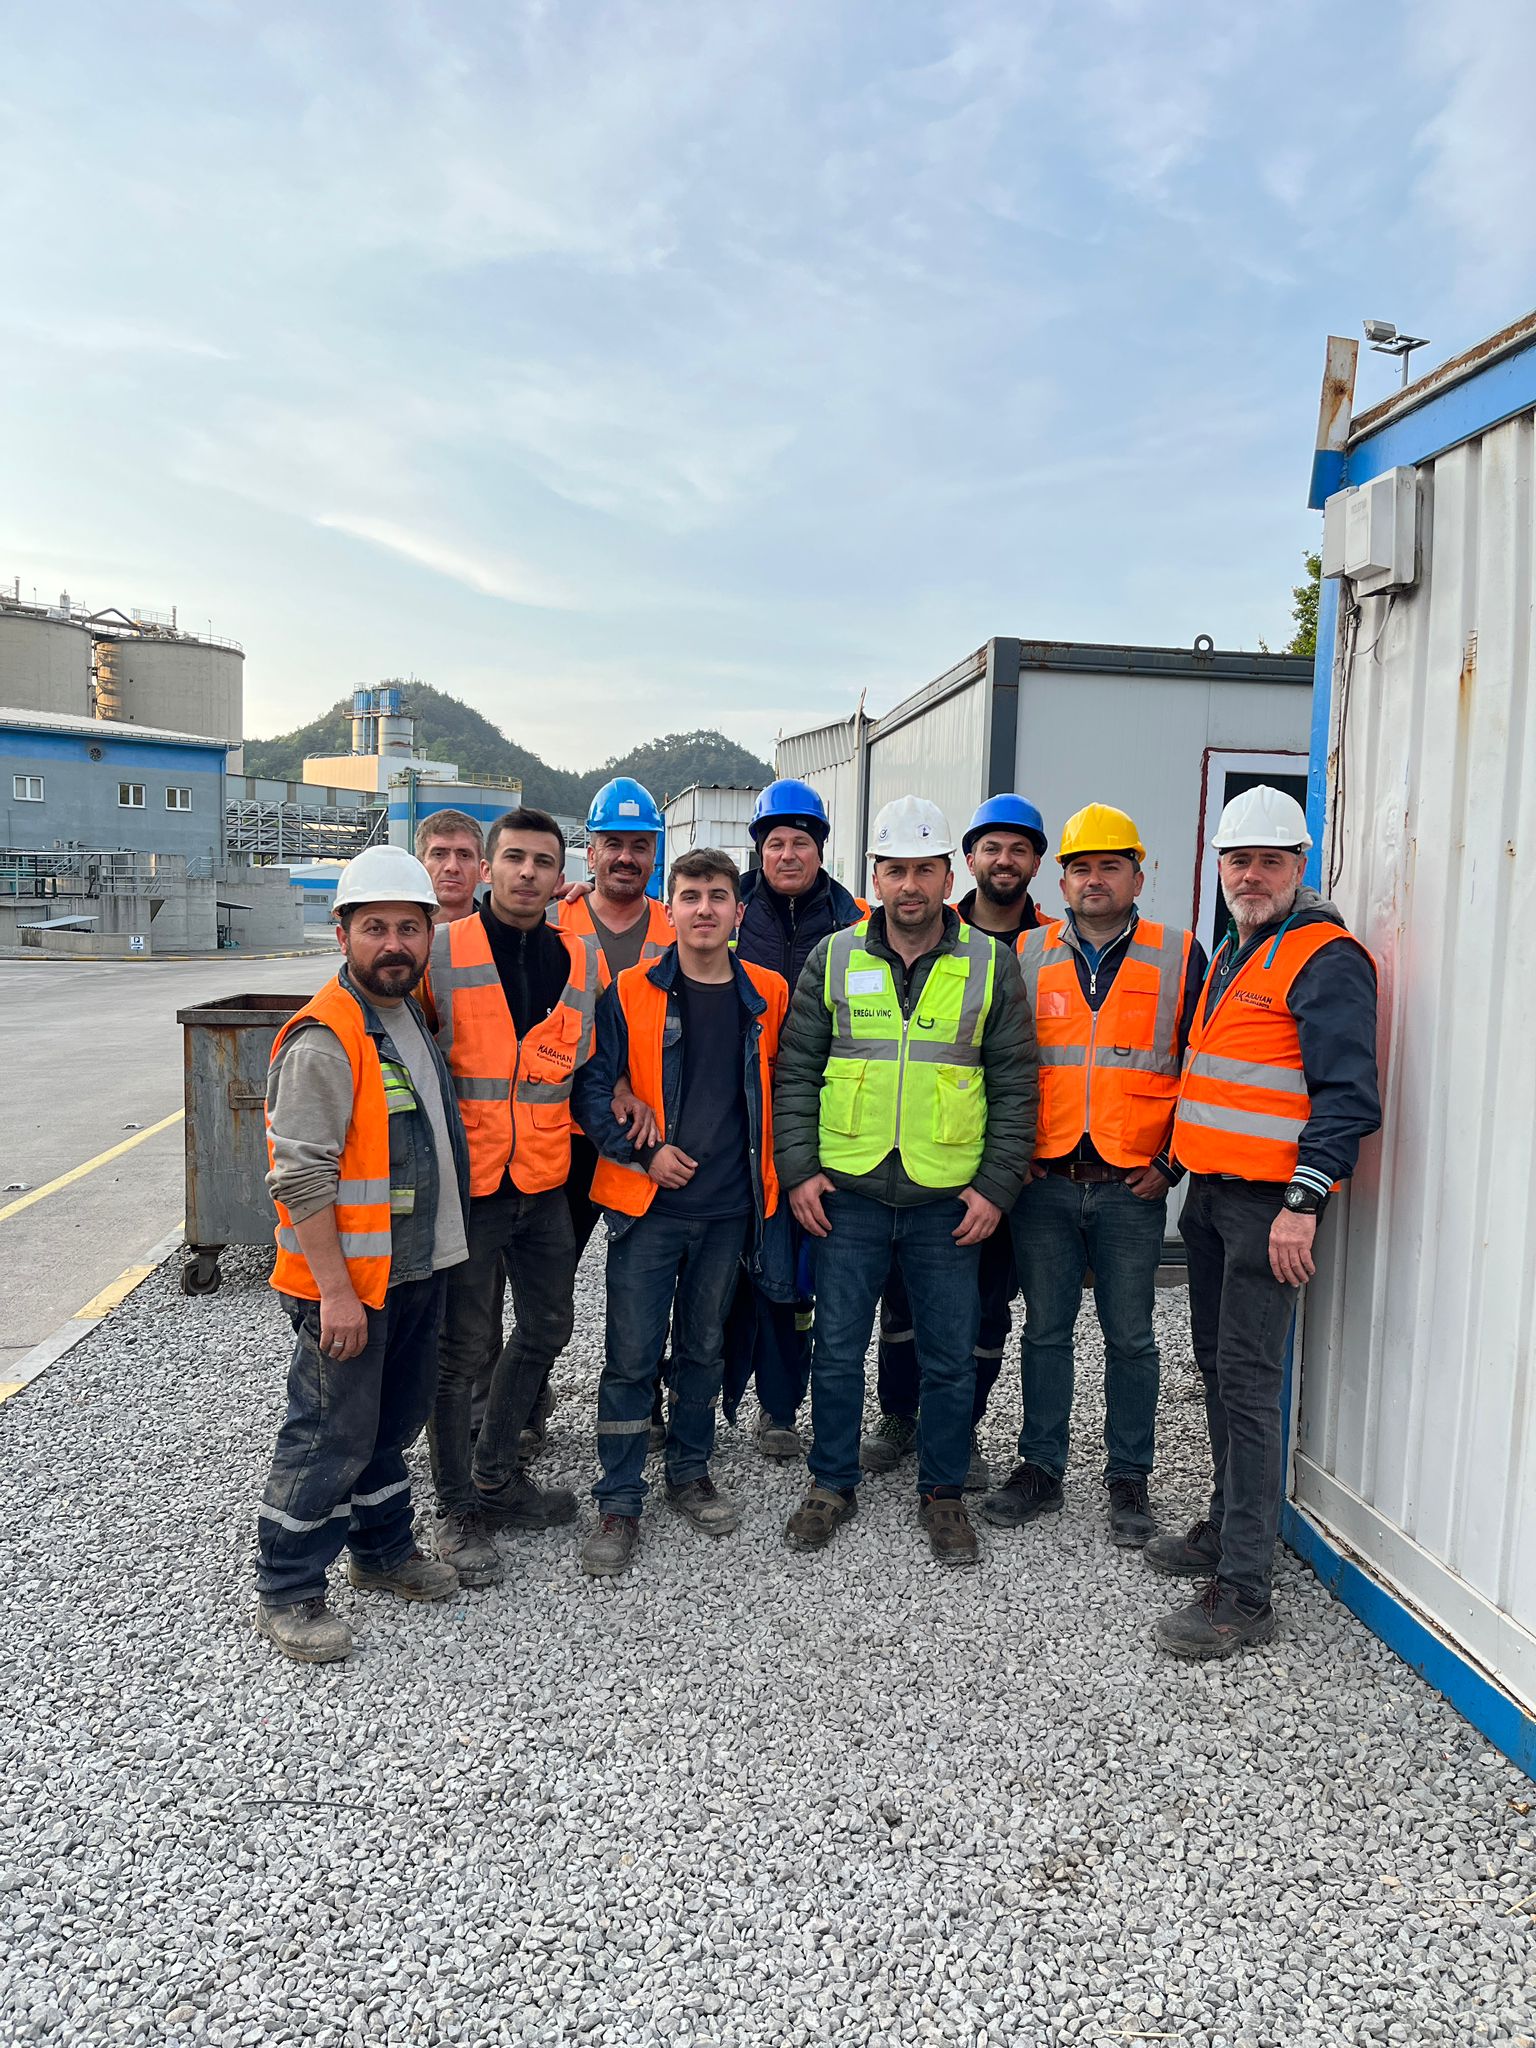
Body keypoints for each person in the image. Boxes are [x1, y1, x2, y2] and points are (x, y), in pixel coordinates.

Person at [774, 796, 1038, 1564]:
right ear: (876, 878)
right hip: (848, 1192)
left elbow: (1016, 1084)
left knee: (950, 1356)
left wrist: (995, 1187)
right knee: (836, 1349)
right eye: (896, 870)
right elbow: (797, 1072)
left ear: (948, 876)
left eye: (924, 869)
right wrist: (800, 1171)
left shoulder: (990, 963)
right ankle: (831, 1483)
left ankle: (943, 1494)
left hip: (947, 1200)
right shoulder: (834, 957)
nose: (910, 885)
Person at [1150, 784, 1379, 1658]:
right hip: (1211, 1198)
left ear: (1299, 865)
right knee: (1217, 1368)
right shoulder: (1240, 949)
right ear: (1220, 867)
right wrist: (1175, 1164)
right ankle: (1224, 1526)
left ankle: (1244, 1593)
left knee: (1247, 1385)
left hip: (1268, 1207)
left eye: (1268, 861)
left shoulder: (1325, 958)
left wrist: (1303, 1204)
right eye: (1238, 860)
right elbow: (1221, 1075)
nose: (1250, 875)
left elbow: (1346, 1096)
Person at [255, 844, 469, 1663]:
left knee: (389, 1424)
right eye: (375, 927)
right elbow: (300, 1178)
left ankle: (381, 1552)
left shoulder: (407, 1017)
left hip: (411, 1268)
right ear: (342, 934)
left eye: (408, 928)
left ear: (428, 935)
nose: (394, 944)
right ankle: (288, 1590)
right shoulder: (327, 1037)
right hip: (350, 1285)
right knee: (328, 1435)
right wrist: (337, 1295)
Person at [978, 803, 1207, 1547]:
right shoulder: (1026, 953)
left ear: (1139, 875)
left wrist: (1172, 1163)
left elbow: (1202, 1068)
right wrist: (1010, 1161)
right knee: (1045, 1330)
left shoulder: (1179, 955)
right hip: (1043, 1181)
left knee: (1131, 1336)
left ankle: (1128, 1477)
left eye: (1111, 866)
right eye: (1081, 868)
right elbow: (1000, 1068)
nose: (1095, 879)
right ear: (1063, 880)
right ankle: (1040, 1467)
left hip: (1131, 1187)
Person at [571, 848, 787, 1577]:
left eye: (717, 896)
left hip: (729, 1212)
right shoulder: (630, 990)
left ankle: (690, 1473)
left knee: (702, 1350)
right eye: (690, 896)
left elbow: (787, 1088)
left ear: (738, 910)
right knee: (631, 1358)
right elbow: (593, 1089)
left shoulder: (767, 993)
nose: (704, 909)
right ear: (672, 908)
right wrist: (644, 1155)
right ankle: (618, 1499)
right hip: (649, 1211)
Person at [421, 806, 599, 1588]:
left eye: (543, 861)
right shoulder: (440, 951)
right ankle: (457, 1507)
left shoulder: (581, 959)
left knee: (549, 1326)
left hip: (545, 1181)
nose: (528, 872)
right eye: (515, 858)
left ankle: (496, 1475)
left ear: (561, 878)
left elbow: (587, 1065)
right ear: (489, 868)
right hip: (470, 1187)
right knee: (461, 1352)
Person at [864, 792, 1049, 1487]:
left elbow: (1022, 1071)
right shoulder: (918, 928)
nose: (1004, 860)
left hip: (1000, 1168)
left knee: (986, 1309)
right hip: (921, 1166)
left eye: (1019, 849)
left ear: (1036, 863)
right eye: (991, 847)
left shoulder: (1048, 945)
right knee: (903, 1301)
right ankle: (897, 1414)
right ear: (966, 862)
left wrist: (1005, 1169)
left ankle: (959, 1427)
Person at [726, 778, 866, 1461]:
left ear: (821, 849)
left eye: (800, 842)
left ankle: (779, 1408)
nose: (787, 854)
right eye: (775, 842)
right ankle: (688, 1399)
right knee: (718, 1268)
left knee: (795, 1271)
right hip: (731, 1114)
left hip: (822, 1115)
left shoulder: (855, 919)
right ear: (759, 849)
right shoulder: (728, 908)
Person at [549, 776, 676, 1445]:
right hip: (565, 1137)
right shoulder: (554, 920)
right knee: (547, 1282)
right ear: (590, 850)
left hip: (644, 1133)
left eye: (639, 845)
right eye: (613, 844)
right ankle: (526, 1403)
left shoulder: (678, 925)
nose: (626, 857)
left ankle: (643, 1402)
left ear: (654, 852)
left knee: (644, 1284)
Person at [416, 809, 485, 924]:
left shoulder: (501, 934)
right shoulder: (393, 933)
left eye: (464, 855)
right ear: (419, 866)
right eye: (439, 854)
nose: (452, 867)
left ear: (481, 870)